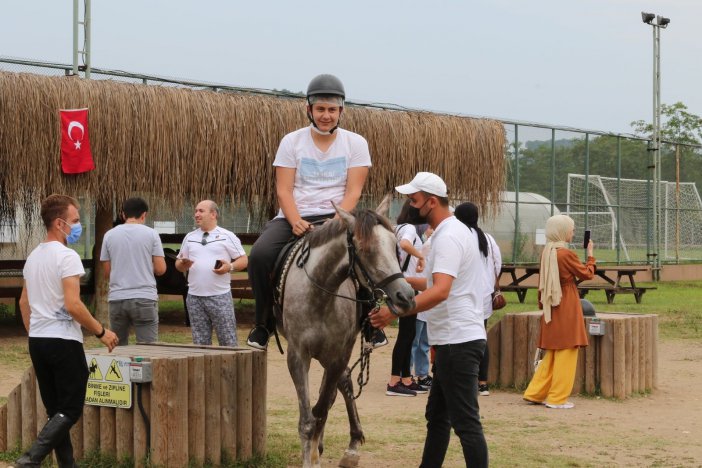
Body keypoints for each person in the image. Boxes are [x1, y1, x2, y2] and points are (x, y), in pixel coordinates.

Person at [246, 73, 373, 350]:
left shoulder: (356, 143)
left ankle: (368, 323)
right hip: (296, 215)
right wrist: (295, 221)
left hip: (339, 216)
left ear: (341, 110)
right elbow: (284, 190)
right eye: (320, 109)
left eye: (331, 109)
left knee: (370, 250)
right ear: (309, 109)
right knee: (259, 255)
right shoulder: (291, 141)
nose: (326, 115)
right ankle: (263, 323)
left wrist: (337, 221)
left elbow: (353, 192)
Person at [371, 172, 489, 467]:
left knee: (465, 424)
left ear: (432, 202)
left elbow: (440, 291)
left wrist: (394, 312)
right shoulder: (449, 233)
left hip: (457, 342)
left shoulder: (448, 237)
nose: (410, 206)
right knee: (438, 416)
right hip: (452, 340)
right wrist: (389, 280)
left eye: (414, 200)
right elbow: (428, 283)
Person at [16, 194, 118, 468]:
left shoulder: (34, 256)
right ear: (60, 223)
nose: (78, 225)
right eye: (75, 220)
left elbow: (24, 302)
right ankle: (30, 459)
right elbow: (73, 305)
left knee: (56, 410)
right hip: (63, 342)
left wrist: (34, 331)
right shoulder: (67, 257)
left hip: (38, 340)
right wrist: (101, 331)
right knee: (70, 409)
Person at [523, 214, 595, 409]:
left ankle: (535, 392)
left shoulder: (547, 252)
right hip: (567, 301)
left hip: (551, 304)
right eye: (571, 229)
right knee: (568, 349)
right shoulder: (566, 254)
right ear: (562, 231)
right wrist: (590, 255)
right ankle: (557, 398)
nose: (573, 232)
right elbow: (587, 273)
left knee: (553, 351)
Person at [175, 200, 248, 347]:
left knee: (228, 342)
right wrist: (183, 264)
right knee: (200, 344)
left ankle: (229, 370)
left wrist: (230, 267)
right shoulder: (190, 237)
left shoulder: (227, 235)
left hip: (220, 296)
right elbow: (178, 265)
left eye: (201, 211)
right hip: (194, 298)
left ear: (213, 214)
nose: (196, 214)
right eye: (196, 211)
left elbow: (243, 259)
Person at [100, 197, 166, 345]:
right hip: (144, 297)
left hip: (117, 298)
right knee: (147, 349)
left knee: (118, 347)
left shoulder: (109, 235)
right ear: (144, 215)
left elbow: (107, 272)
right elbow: (161, 269)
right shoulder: (151, 234)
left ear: (123, 214)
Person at [454, 202, 501, 397]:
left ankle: (463, 380)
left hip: (464, 295)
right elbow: (498, 264)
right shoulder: (487, 238)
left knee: (460, 338)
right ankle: (482, 382)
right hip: (483, 296)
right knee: (480, 336)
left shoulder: (459, 237)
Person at [386, 200, 427, 397]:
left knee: (408, 334)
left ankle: (405, 378)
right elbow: (405, 244)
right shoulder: (409, 228)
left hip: (403, 286)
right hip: (408, 287)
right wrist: (421, 256)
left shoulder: (398, 228)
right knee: (405, 335)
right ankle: (394, 381)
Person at [411, 226, 434, 391]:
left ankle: (423, 374)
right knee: (414, 339)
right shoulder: (427, 245)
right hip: (420, 294)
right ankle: (407, 374)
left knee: (424, 341)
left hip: (430, 296)